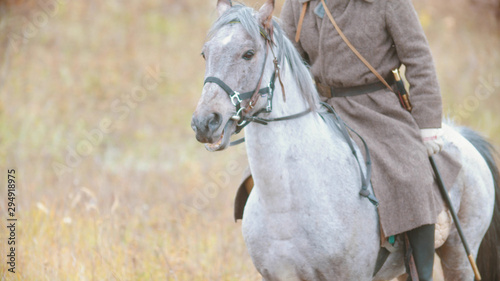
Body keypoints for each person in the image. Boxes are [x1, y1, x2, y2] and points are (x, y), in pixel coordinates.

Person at [234, 0, 462, 280]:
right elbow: (288, 58)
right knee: (264, 170)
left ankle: (421, 271)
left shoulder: (389, 4)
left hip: (376, 107)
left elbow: (419, 60)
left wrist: (428, 124)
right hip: (317, 105)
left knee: (412, 172)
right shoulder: (299, 3)